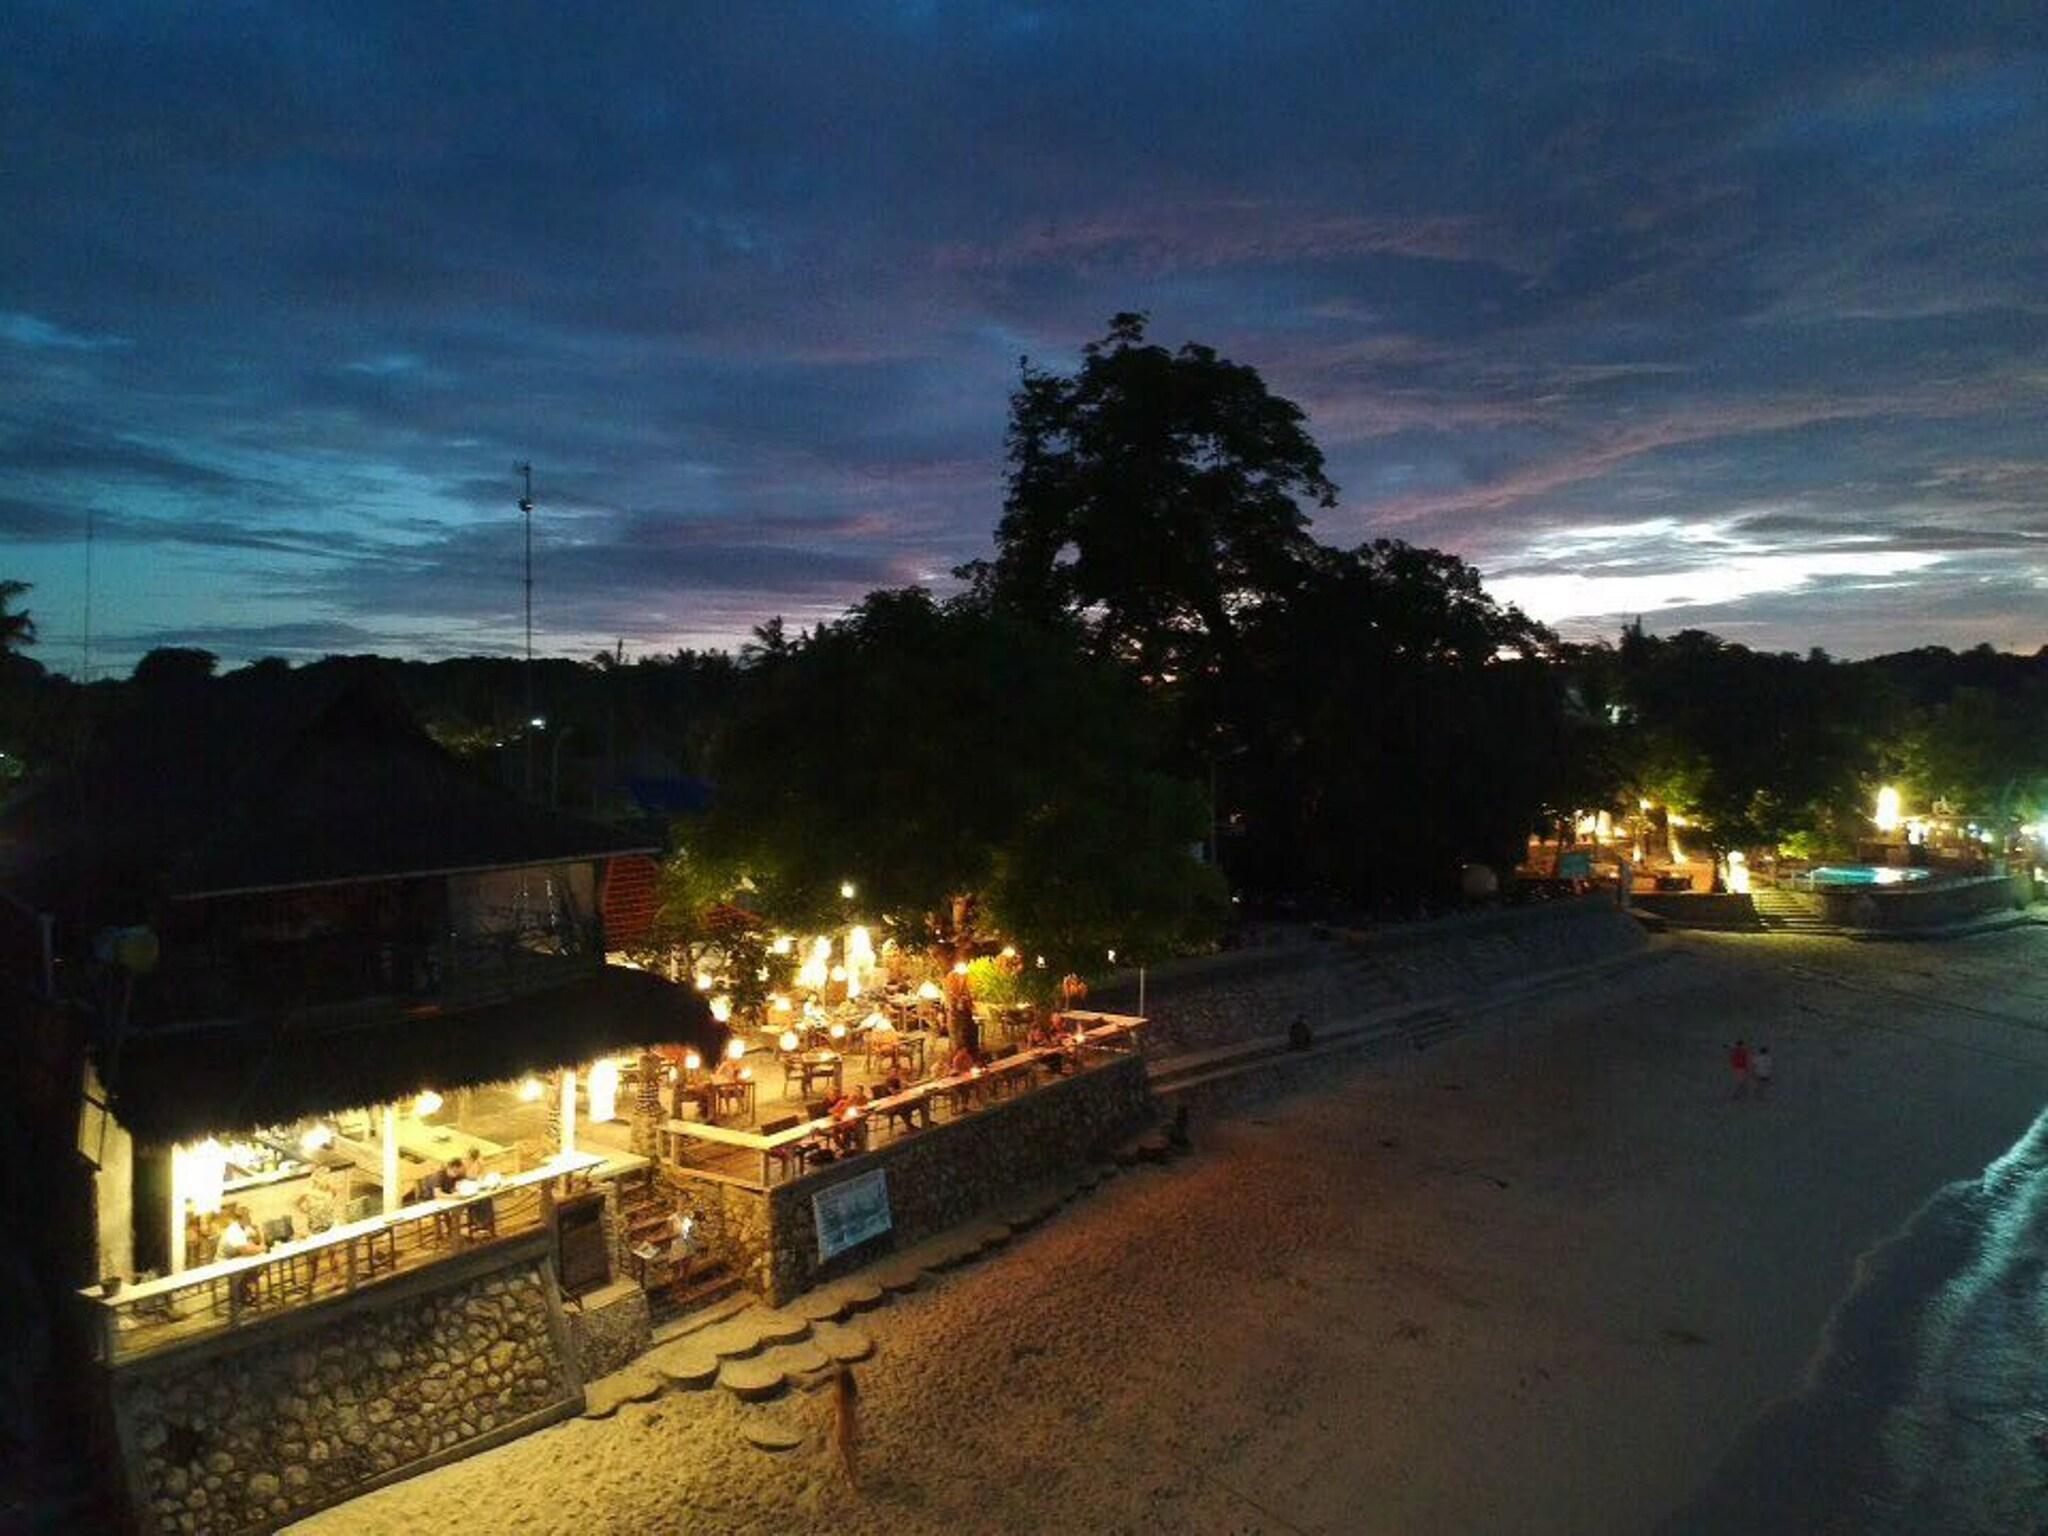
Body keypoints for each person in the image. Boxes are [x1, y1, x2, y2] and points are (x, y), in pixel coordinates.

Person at [830, 1365, 860, 1491]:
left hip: (842, 1424)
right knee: (851, 1450)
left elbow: (839, 1410)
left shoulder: (840, 1395)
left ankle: (853, 1481)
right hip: (852, 1422)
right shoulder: (851, 1393)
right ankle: (855, 1475)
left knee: (846, 1454)